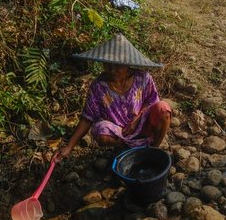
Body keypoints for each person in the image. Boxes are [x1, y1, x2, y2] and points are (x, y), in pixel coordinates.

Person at [52, 33, 171, 163]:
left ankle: (153, 150)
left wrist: (136, 120)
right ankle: (128, 149)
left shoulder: (143, 78)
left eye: (117, 66)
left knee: (163, 108)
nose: (112, 70)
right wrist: (69, 147)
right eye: (108, 65)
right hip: (120, 133)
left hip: (141, 126)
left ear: (128, 64)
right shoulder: (99, 86)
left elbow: (152, 101)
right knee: (99, 129)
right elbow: (87, 118)